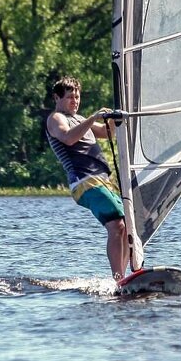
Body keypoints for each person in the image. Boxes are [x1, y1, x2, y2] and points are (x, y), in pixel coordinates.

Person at [45, 76, 128, 282]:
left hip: (102, 181)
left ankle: (125, 278)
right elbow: (68, 138)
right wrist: (93, 118)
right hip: (84, 182)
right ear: (57, 98)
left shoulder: (80, 119)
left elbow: (107, 133)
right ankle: (119, 279)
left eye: (78, 96)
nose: (75, 101)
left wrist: (113, 117)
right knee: (116, 224)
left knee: (126, 226)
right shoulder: (56, 119)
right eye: (70, 97)